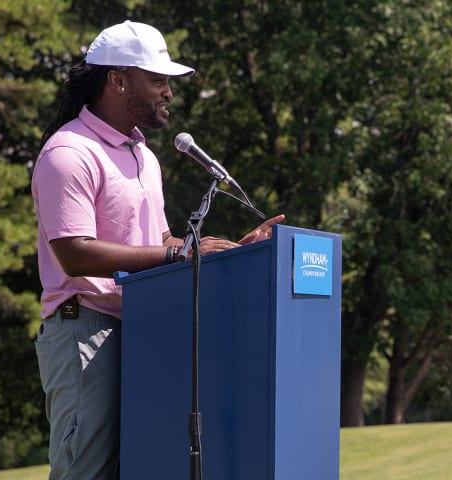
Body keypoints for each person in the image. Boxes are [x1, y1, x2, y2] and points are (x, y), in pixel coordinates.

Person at [31, 20, 284, 479]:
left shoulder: (143, 155)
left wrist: (226, 253)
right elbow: (75, 252)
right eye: (158, 80)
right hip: (86, 327)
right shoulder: (69, 152)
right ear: (118, 79)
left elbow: (160, 242)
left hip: (147, 325)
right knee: (87, 469)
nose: (168, 92)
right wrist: (179, 255)